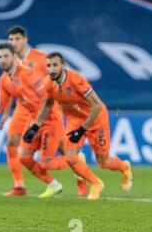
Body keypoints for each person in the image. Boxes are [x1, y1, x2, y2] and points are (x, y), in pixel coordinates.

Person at [24, 52, 133, 199]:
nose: (51, 69)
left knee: (103, 162)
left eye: (55, 65)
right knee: (70, 157)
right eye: (48, 66)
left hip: (96, 119)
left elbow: (97, 107)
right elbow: (48, 105)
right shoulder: (49, 83)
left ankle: (124, 167)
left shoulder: (77, 80)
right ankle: (96, 183)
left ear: (63, 65)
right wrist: (35, 126)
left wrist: (82, 130)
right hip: (74, 120)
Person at [0, 26, 88, 197]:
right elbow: (10, 87)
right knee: (12, 143)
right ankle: (19, 185)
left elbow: (57, 79)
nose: (14, 43)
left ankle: (79, 170)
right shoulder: (11, 60)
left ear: (24, 39)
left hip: (46, 107)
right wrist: (5, 113)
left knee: (61, 148)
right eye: (11, 40)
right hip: (23, 108)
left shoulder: (40, 58)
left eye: (17, 39)